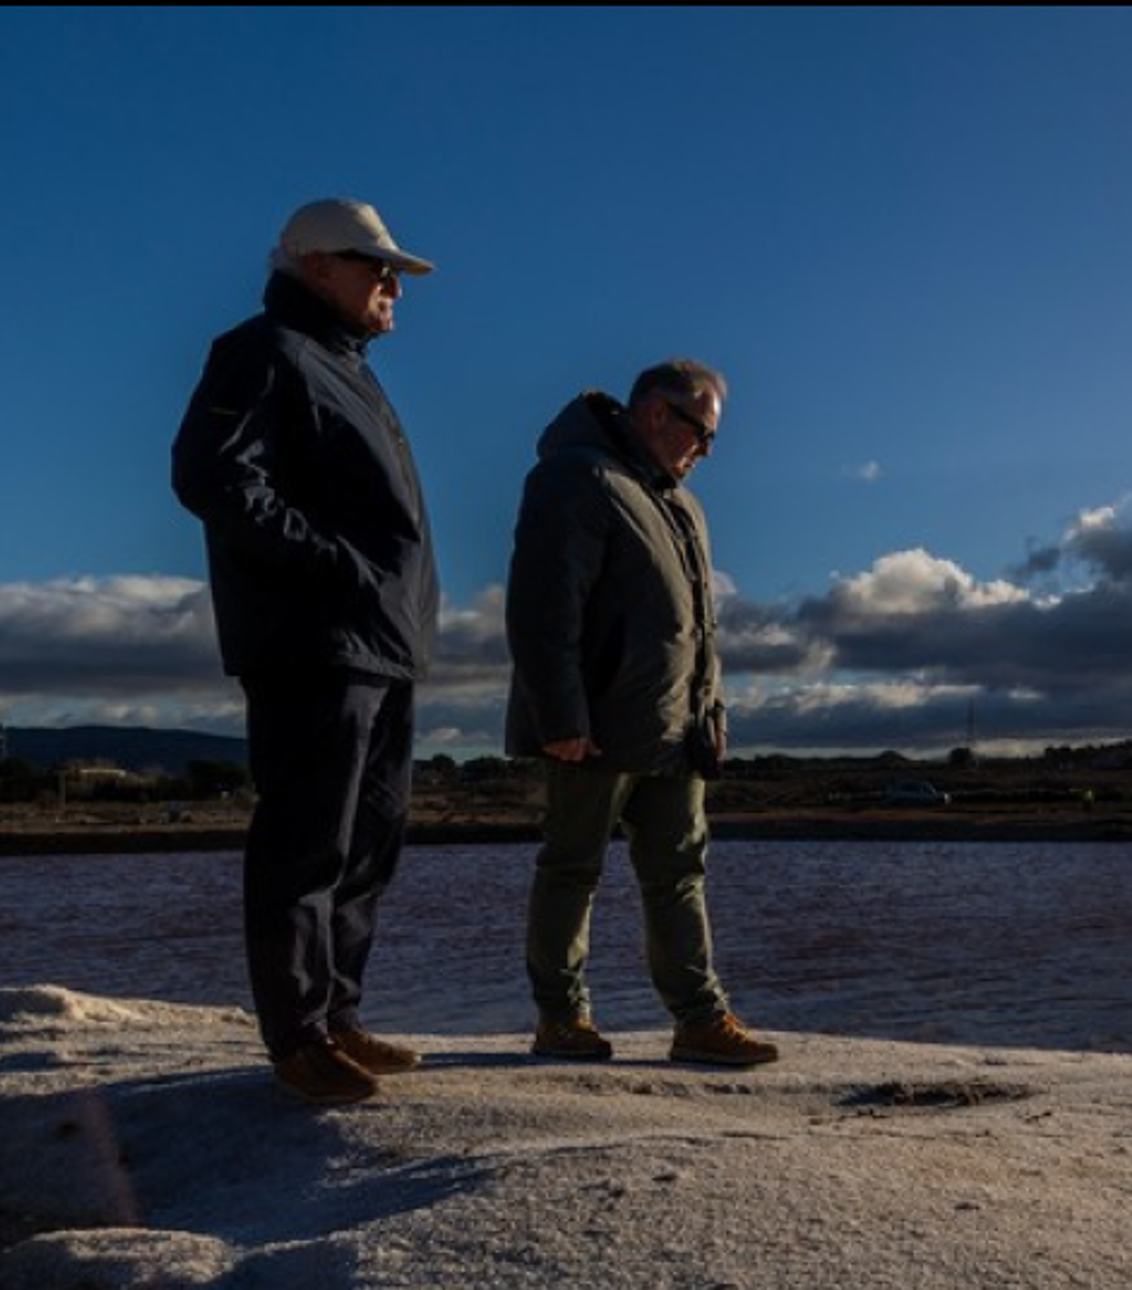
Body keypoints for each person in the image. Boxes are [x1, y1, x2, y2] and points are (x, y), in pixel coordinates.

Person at [171, 199, 440, 1104]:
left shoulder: (348, 366)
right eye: (377, 266)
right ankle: (296, 1036)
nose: (393, 285)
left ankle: (339, 1014)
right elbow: (209, 476)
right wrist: (337, 569)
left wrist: (387, 598)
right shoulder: (263, 349)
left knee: (371, 843)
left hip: (384, 647)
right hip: (313, 643)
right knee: (306, 842)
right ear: (316, 265)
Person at [504, 361, 779, 1067]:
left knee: (680, 871)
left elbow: (701, 628)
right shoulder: (576, 478)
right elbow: (543, 607)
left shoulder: (682, 505)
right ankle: (560, 1020)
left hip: (674, 730)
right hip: (593, 729)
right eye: (702, 433)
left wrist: (710, 716)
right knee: (572, 867)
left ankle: (700, 1019)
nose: (707, 451)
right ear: (657, 412)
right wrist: (560, 717)